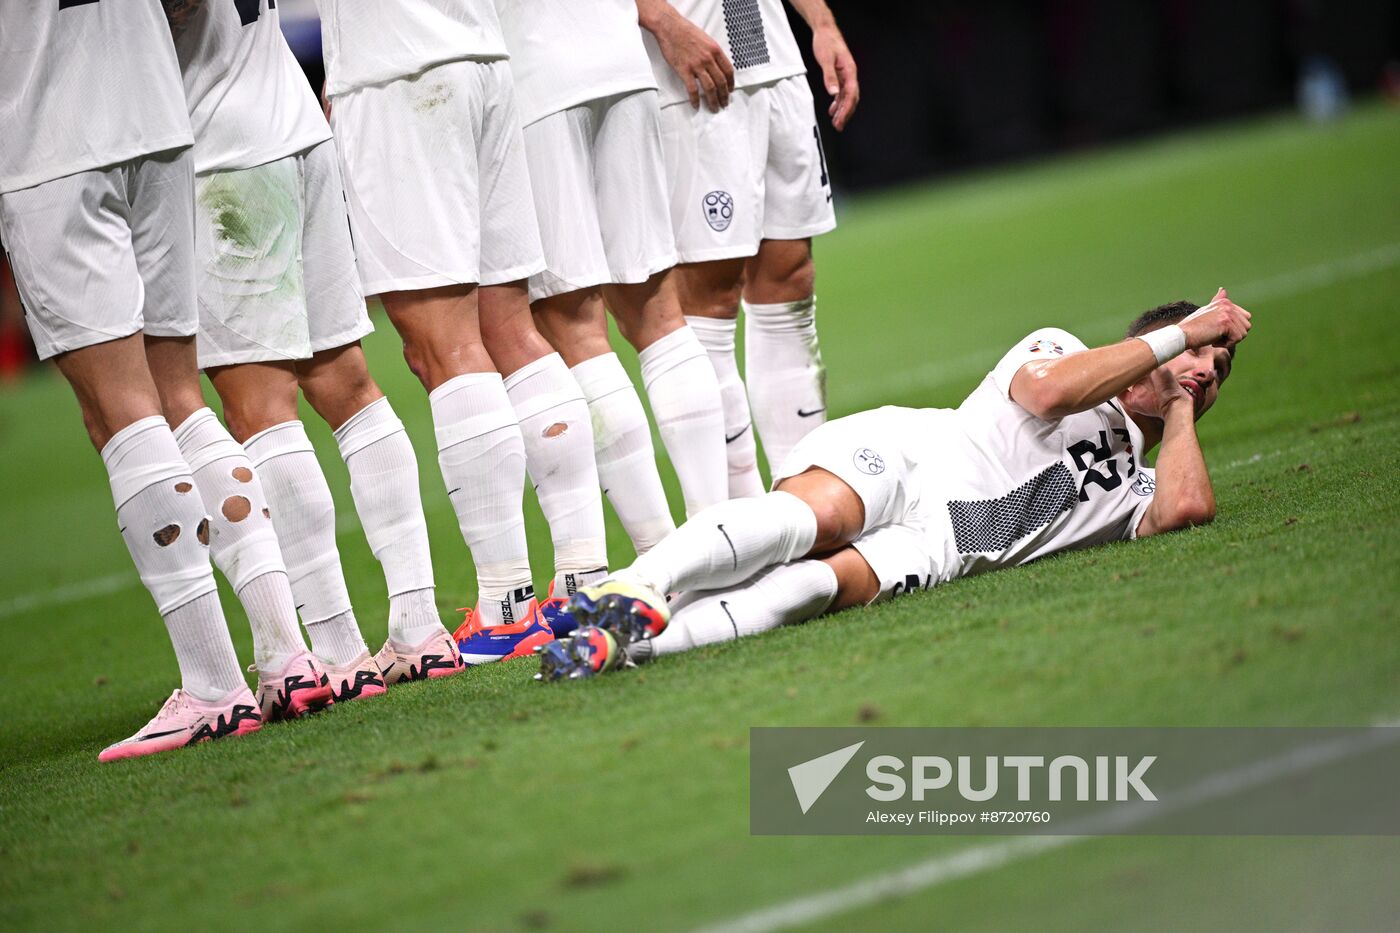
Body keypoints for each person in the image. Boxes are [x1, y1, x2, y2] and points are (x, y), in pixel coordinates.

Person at [538, 291, 1253, 678]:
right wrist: (1180, 337)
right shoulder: (1058, 346)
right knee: (811, 519)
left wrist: (1186, 395)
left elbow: (1187, 505)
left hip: (942, 543)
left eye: (1219, 368)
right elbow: (1048, 395)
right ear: (1152, 344)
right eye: (1197, 351)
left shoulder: (1134, 489)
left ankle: (619, 650)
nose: (1206, 367)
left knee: (810, 589)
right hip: (914, 454)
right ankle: (635, 582)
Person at [313, 0, 622, 664]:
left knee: (442, 346)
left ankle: (506, 610)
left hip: (397, 67)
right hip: (484, 56)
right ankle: (582, 581)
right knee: (512, 333)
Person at [0, 0, 261, 758]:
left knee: (122, 413)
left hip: (51, 135)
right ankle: (284, 654)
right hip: (157, 114)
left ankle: (215, 685)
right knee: (181, 398)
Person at [173, 0, 454, 695]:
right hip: (298, 125)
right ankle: (420, 626)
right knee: (348, 385)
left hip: (221, 147)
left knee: (260, 404)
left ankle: (335, 647)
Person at [491, 0, 734, 629]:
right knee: (660, 312)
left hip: (534, 70)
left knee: (574, 328)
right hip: (620, 63)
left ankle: (663, 564)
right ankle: (725, 540)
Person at [638, 0, 859, 494]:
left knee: (790, 278)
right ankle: (740, 514)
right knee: (709, 297)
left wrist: (821, 23)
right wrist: (660, 18)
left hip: (776, 61)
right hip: (692, 64)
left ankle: (806, 499)